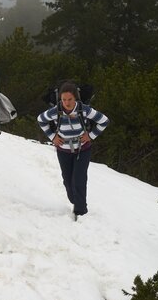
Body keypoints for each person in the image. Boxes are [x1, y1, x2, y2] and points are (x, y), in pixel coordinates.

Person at [37, 81, 109, 220]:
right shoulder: (56, 111)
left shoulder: (84, 109)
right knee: (67, 181)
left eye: (70, 99)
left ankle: (81, 212)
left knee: (79, 180)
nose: (67, 103)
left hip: (83, 150)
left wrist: (90, 135)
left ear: (75, 98)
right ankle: (75, 201)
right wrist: (52, 137)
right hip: (63, 151)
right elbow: (41, 120)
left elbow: (104, 121)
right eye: (64, 99)